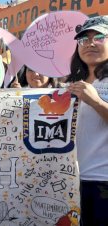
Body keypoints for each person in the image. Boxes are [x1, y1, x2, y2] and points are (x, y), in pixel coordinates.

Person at [66, 15, 108, 226]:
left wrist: (96, 102)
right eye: (83, 39)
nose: (90, 43)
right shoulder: (71, 84)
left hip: (103, 182)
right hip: (71, 181)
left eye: (99, 37)